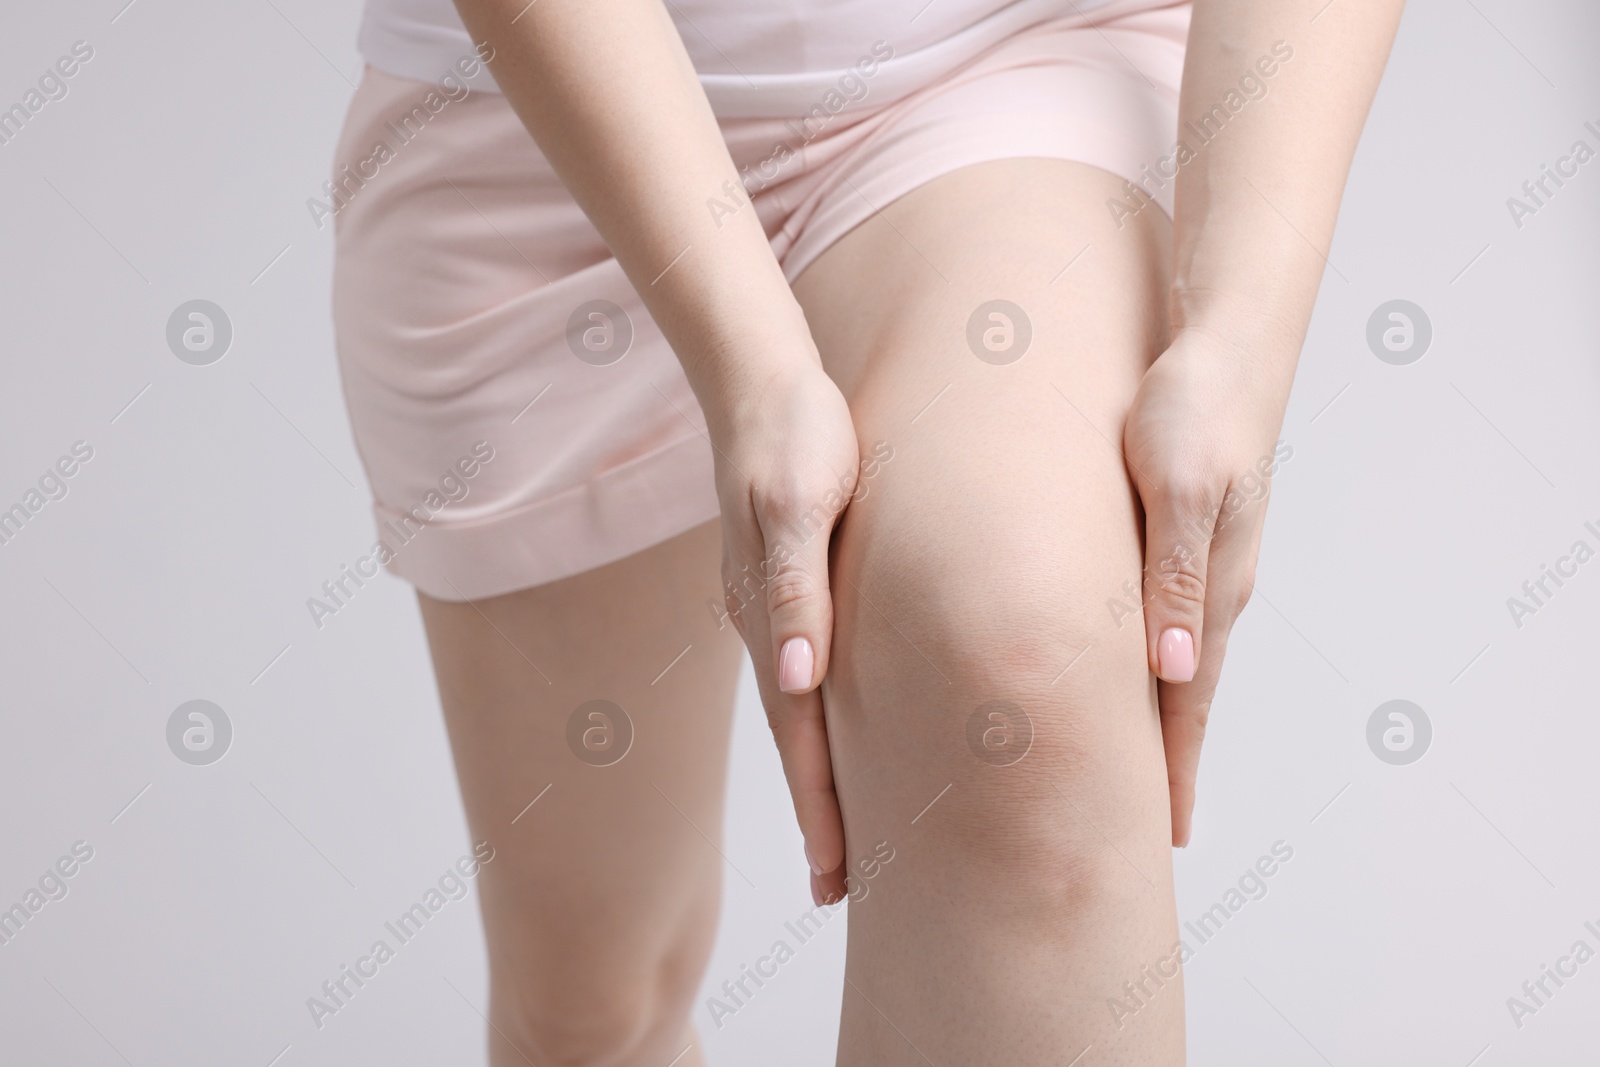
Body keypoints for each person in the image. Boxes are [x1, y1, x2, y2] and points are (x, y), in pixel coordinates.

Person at [329, 0, 1402, 1061]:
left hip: (996, 57)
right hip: (545, 118)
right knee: (594, 1003)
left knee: (1015, 670)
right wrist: (748, 369)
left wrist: (1238, 342)